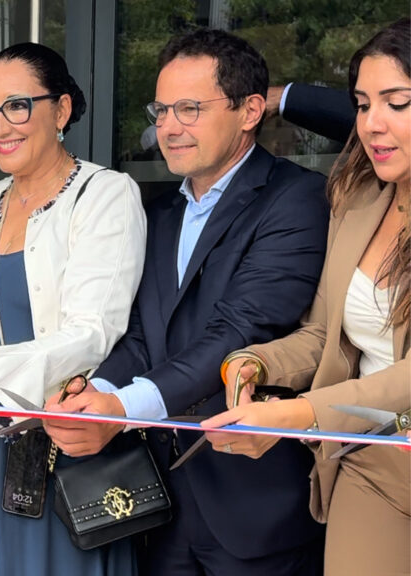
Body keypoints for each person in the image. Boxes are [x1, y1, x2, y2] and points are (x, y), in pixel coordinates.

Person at [43, 29, 330, 576]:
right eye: (162, 109)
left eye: (190, 109)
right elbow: (141, 332)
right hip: (158, 499)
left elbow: (240, 329)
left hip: (253, 505)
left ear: (249, 111)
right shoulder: (158, 213)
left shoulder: (297, 199)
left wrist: (123, 408)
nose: (168, 127)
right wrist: (96, 390)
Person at [0, 43, 147, 575]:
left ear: (61, 110)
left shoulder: (105, 194)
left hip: (62, 441)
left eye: (17, 106)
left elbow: (94, 331)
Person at [205, 18, 411, 576]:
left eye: (397, 102)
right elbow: (323, 332)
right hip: (375, 459)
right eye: (364, 105)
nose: (373, 124)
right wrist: (253, 362)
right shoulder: (358, 196)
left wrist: (303, 414)